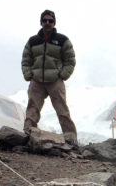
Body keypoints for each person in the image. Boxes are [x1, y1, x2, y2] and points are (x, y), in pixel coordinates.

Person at [21, 10, 78, 146]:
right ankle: (27, 136)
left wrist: (62, 75)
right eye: (45, 20)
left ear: (54, 23)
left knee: (62, 110)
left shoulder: (62, 40)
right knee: (32, 109)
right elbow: (26, 59)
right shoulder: (33, 41)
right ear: (41, 22)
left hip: (55, 81)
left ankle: (71, 139)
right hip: (37, 81)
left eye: (50, 21)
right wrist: (29, 75)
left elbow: (70, 60)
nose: (47, 23)